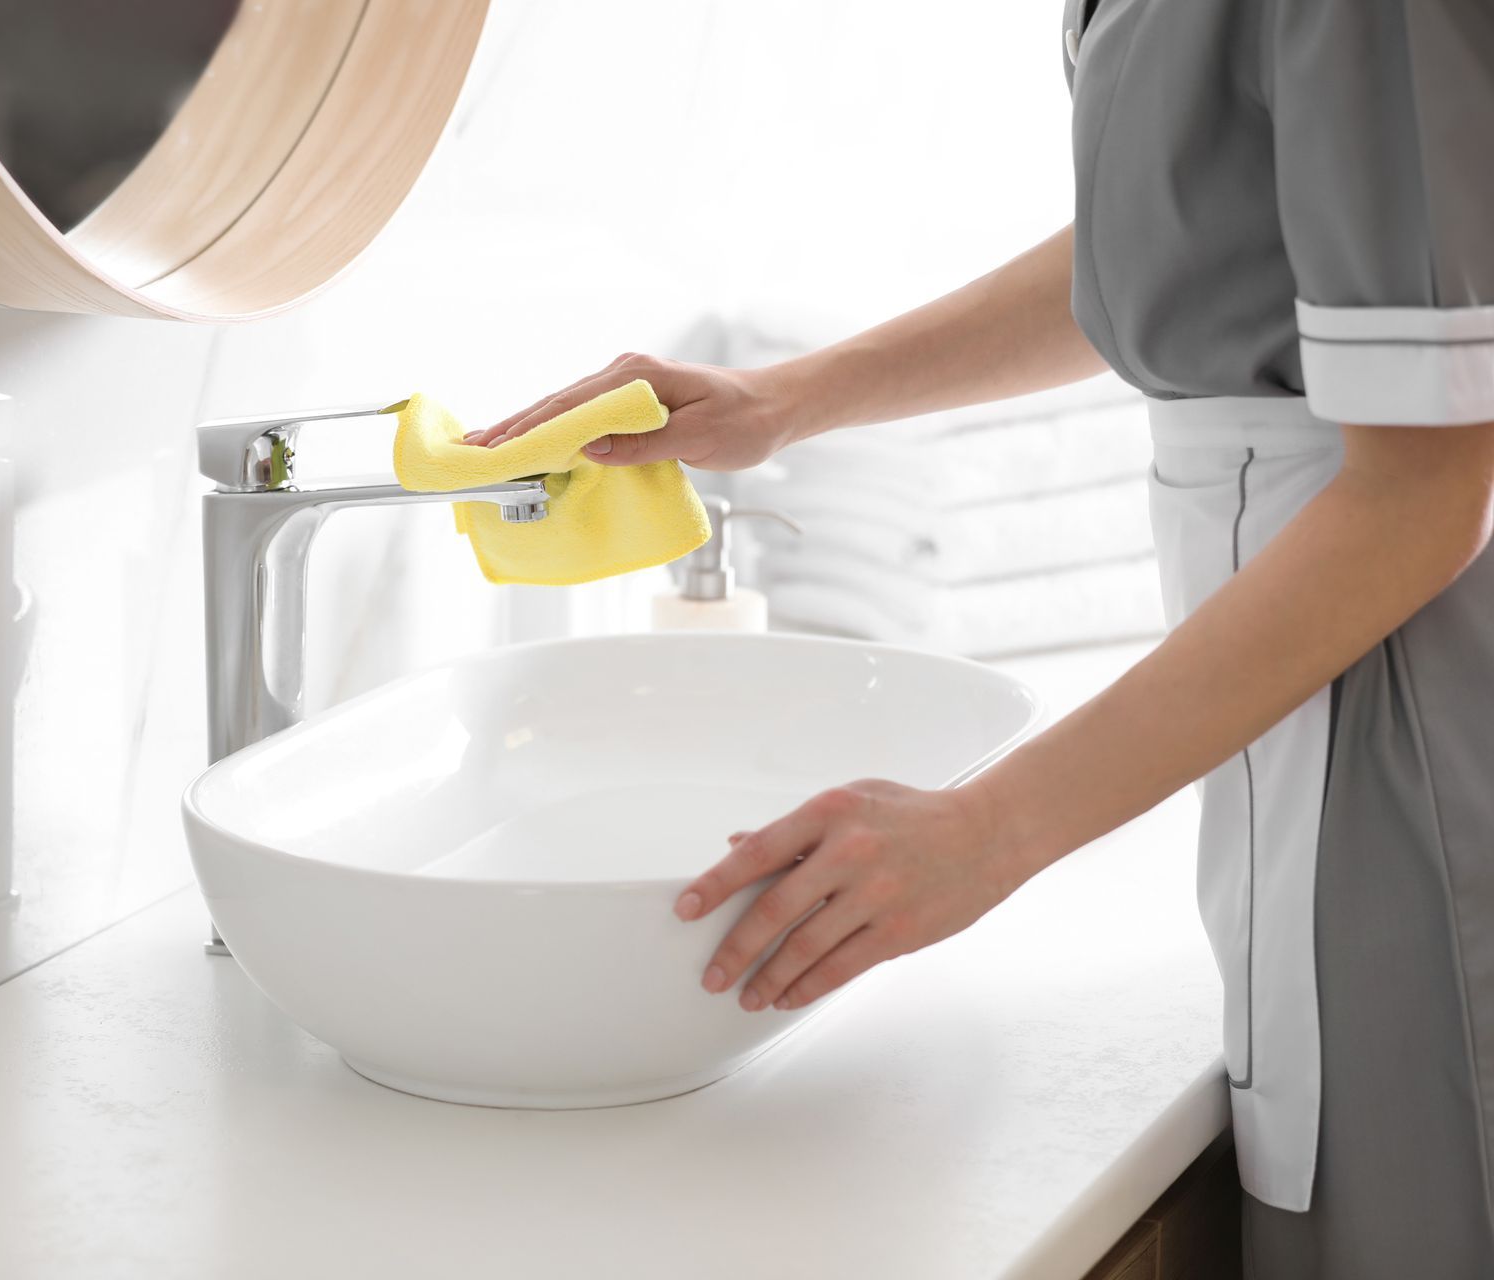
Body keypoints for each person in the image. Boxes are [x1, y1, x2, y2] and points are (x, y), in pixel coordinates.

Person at [464, 0, 1494, 1273]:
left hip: (1407, 696)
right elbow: (1187, 234)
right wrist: (786, 399)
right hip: (1298, 664)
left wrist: (988, 830)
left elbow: (1426, 497)